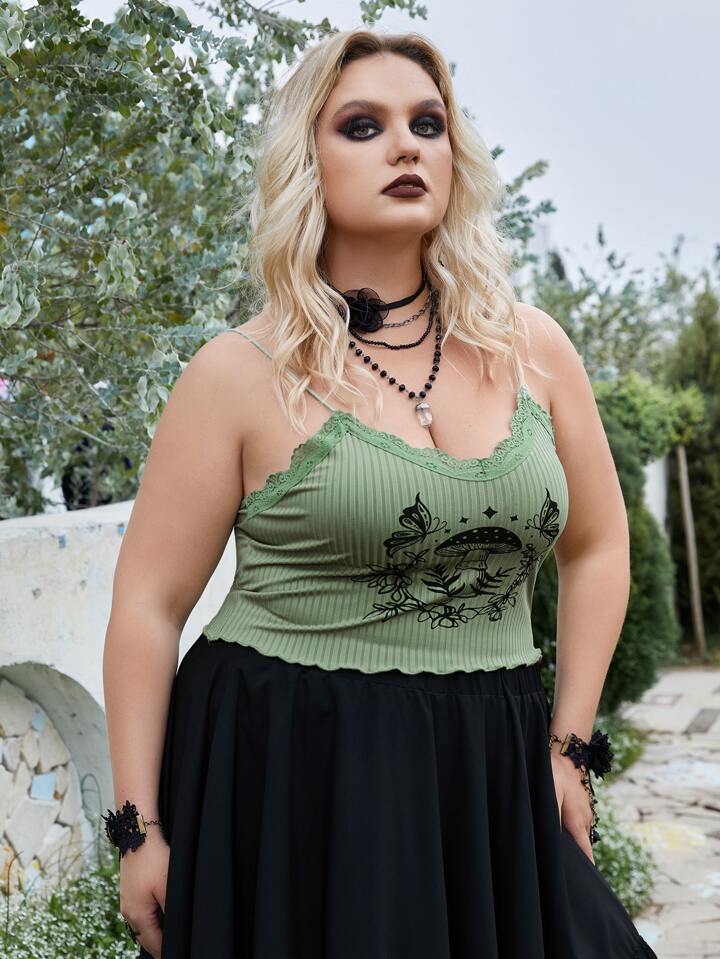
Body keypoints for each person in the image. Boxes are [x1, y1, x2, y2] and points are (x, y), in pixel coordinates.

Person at [102, 27, 658, 959]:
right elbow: (148, 604)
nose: (406, 146)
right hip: (296, 768)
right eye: (363, 126)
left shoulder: (533, 350)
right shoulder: (239, 372)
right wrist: (138, 829)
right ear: (305, 161)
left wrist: (570, 749)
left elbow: (598, 546)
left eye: (427, 124)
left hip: (490, 761)